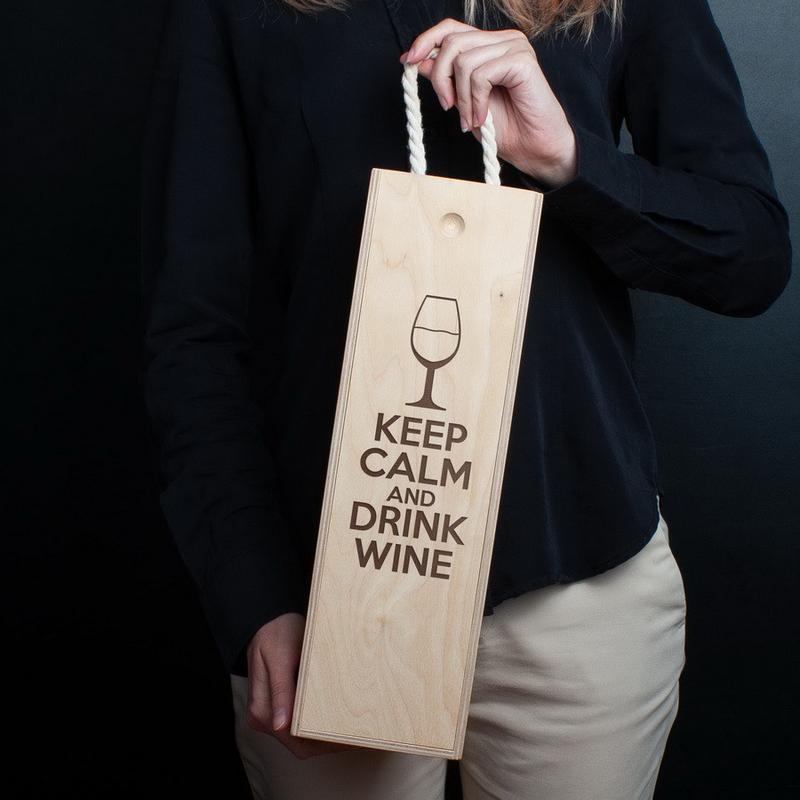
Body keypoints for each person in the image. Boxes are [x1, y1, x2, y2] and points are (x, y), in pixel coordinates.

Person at [139, 0, 791, 797]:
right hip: (334, 597)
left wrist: (570, 160)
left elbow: (751, 256)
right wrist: (255, 594)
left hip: (576, 590)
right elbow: (193, 330)